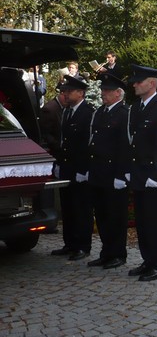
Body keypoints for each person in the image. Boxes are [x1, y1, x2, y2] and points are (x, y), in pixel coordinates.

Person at [127, 64, 157, 281]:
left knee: (155, 222)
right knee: (143, 221)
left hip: (154, 177)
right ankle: (148, 260)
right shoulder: (137, 108)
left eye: (139, 81)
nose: (135, 84)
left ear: (152, 83)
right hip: (139, 174)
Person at [86, 73, 131, 270]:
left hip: (114, 174)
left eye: (107, 91)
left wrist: (122, 175)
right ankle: (106, 252)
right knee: (102, 215)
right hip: (98, 172)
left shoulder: (124, 113)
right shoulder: (100, 112)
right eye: (102, 90)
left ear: (118, 94)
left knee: (116, 216)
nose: (103, 93)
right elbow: (92, 142)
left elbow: (126, 147)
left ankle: (118, 253)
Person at [51, 75, 95, 261]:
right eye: (65, 91)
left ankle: (83, 245)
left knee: (81, 208)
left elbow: (88, 144)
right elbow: (64, 142)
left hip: (80, 169)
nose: (66, 94)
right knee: (68, 207)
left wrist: (84, 170)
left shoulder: (87, 112)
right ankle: (70, 243)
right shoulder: (67, 112)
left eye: (70, 91)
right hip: (68, 167)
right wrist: (59, 164)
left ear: (81, 93)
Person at [39, 81, 69, 159]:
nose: (68, 99)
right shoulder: (49, 109)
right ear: (61, 94)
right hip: (54, 152)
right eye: (66, 96)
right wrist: (58, 146)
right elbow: (45, 133)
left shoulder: (65, 107)